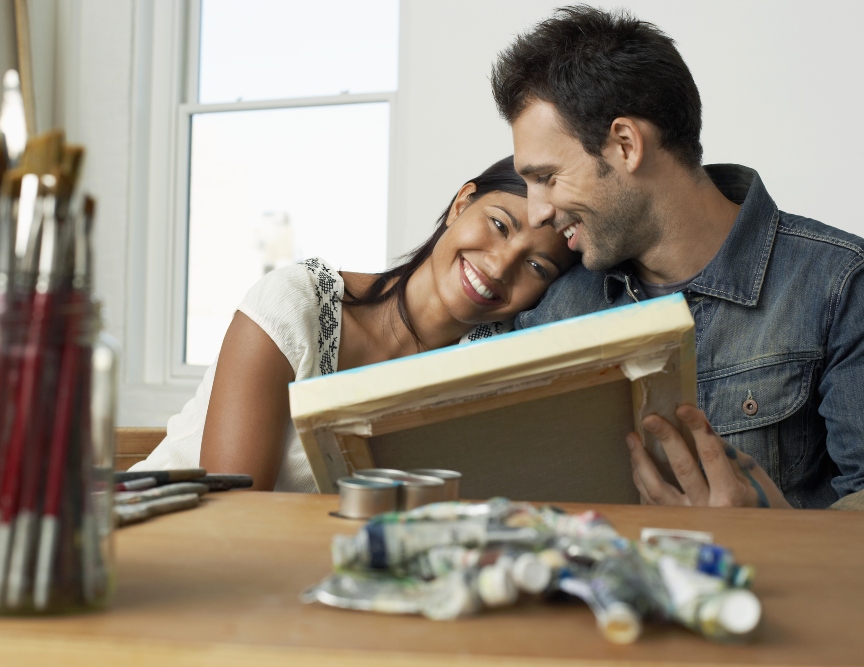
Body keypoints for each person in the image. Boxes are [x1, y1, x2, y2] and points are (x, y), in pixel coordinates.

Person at [490, 6, 864, 509]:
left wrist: (775, 529)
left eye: (547, 177)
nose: (536, 212)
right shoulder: (553, 309)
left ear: (625, 144)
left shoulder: (837, 284)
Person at [133, 157, 578, 491]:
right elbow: (233, 514)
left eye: (537, 267)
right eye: (499, 224)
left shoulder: (492, 363)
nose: (501, 267)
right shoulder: (297, 304)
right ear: (461, 204)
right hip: (164, 553)